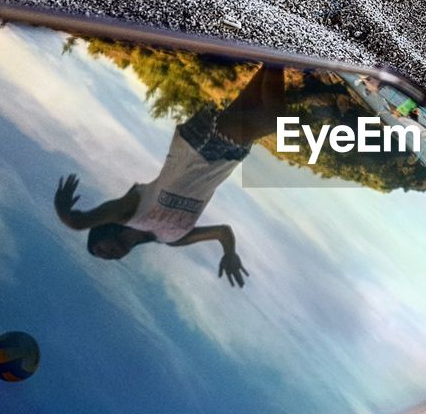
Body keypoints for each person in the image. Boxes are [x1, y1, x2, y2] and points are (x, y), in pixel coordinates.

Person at [53, 64, 286, 287]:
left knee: (275, 120)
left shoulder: (128, 212)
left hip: (196, 149)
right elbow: (222, 232)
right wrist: (230, 253)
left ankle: (280, 43)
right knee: (257, 98)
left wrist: (67, 216)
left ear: (102, 231)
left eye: (99, 249)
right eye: (107, 258)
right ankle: (275, 43)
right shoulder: (173, 239)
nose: (107, 254)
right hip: (226, 161)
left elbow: (79, 221)